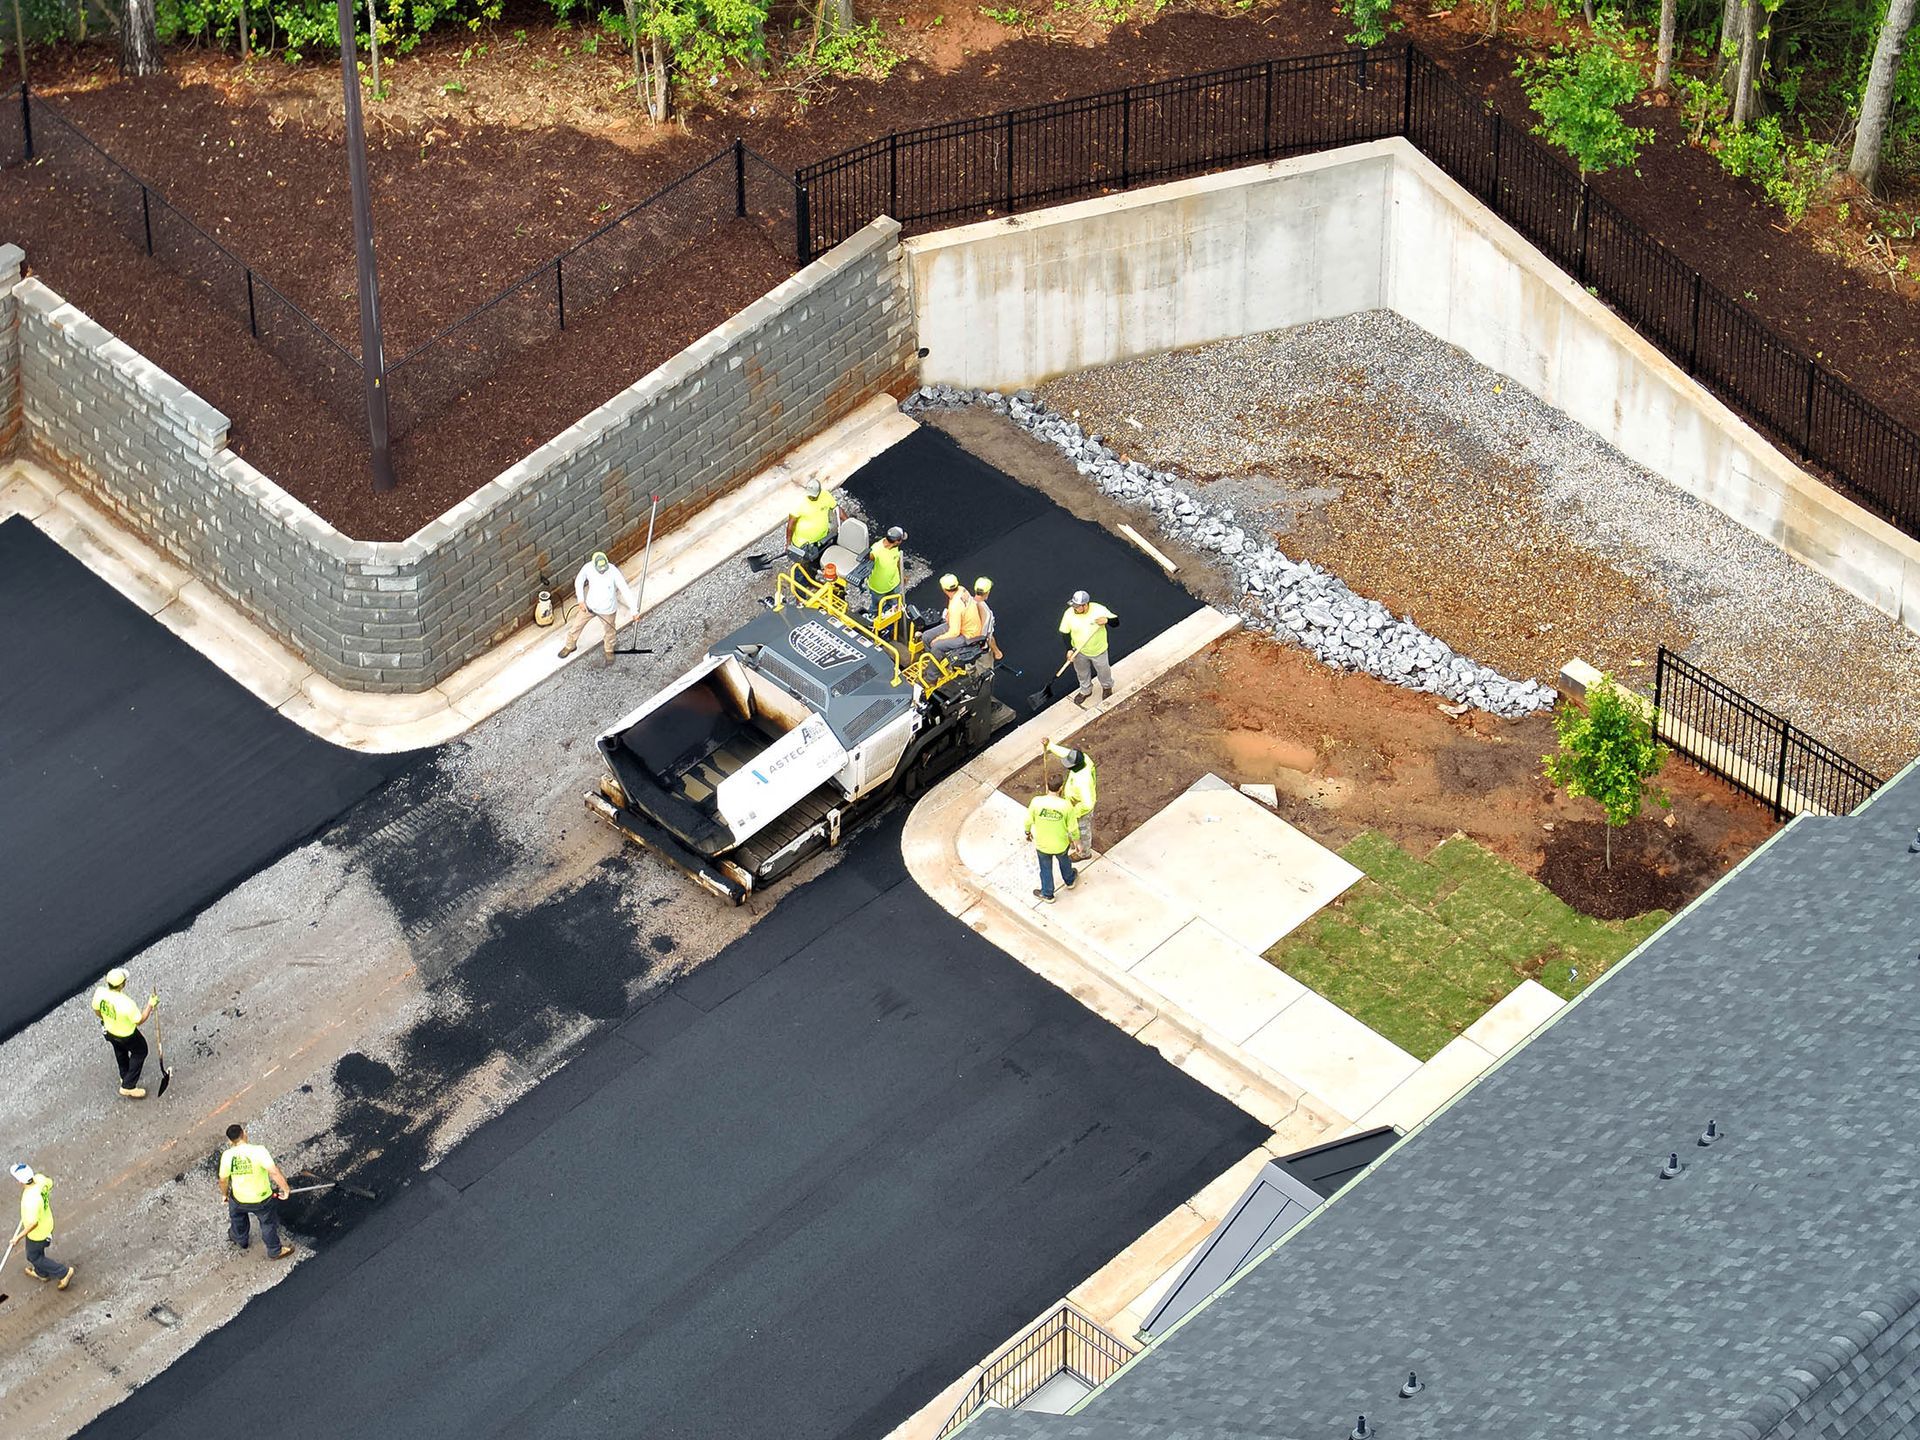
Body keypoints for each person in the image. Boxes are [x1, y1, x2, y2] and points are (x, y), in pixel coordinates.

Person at [219, 1124, 293, 1261]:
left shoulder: (227, 1156)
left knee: (237, 1219)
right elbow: (273, 1172)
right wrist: (285, 1189)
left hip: (238, 1199)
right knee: (267, 1224)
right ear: (244, 1134)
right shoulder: (259, 1151)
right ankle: (275, 1251)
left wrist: (224, 1195)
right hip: (262, 1199)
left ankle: (241, 1240)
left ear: (230, 1141)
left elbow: (223, 1179)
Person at [558, 551, 639, 666]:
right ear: (594, 565)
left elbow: (624, 589)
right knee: (576, 626)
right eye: (599, 569)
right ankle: (570, 645)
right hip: (590, 607)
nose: (602, 571)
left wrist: (634, 610)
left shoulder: (613, 571)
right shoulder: (588, 568)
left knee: (610, 631)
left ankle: (609, 650)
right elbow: (579, 581)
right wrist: (581, 600)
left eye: (603, 568)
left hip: (608, 609)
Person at [90, 967, 157, 1100]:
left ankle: (124, 1074)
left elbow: (97, 1010)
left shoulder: (100, 992)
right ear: (122, 984)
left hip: (109, 1031)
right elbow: (139, 1020)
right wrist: (150, 1005)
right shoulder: (126, 1003)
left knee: (120, 1051)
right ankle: (128, 1086)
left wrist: (106, 1020)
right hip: (127, 1035)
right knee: (140, 1052)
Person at [10, 1162, 74, 1290]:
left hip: (38, 1233)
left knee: (33, 1256)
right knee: (37, 1253)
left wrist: (18, 1237)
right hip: (47, 1222)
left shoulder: (29, 1200)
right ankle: (41, 1273)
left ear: (20, 1182)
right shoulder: (40, 1179)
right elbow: (49, 1183)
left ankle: (63, 1272)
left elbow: (33, 1223)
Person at [1025, 776, 1079, 904]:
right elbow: (1073, 827)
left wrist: (1027, 832)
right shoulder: (1066, 805)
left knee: (1045, 869)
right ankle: (1070, 880)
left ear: (1047, 786)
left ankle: (1048, 894)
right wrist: (1077, 842)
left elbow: (1028, 820)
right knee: (1064, 860)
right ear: (1061, 788)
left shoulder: (1036, 802)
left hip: (1043, 845)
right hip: (1061, 844)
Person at [1059, 590, 1118, 707]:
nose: (1075, 608)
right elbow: (1065, 633)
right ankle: (1085, 690)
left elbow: (1116, 622)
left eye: (1077, 606)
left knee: (1103, 672)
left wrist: (1107, 620)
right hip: (1079, 651)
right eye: (1074, 605)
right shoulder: (1069, 613)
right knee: (1082, 673)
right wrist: (1069, 649)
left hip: (1098, 650)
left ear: (1085, 605)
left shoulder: (1098, 610)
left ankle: (1107, 687)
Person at [1045, 738, 1097, 859]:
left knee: (1082, 832)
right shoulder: (1083, 759)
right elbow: (1066, 753)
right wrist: (1050, 746)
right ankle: (1073, 841)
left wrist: (1074, 812)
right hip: (1073, 803)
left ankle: (1084, 853)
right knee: (1072, 828)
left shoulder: (1083, 781)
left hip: (1081, 810)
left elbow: (1088, 804)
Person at [922, 574, 984, 660]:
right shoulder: (962, 589)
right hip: (959, 624)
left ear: (944, 589)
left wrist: (937, 639)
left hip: (968, 636)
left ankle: (934, 672)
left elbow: (954, 632)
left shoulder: (955, 606)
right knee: (926, 636)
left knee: (936, 646)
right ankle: (932, 659)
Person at [784, 476, 840, 569]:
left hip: (822, 540)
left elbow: (836, 509)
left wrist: (848, 521)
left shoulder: (825, 496)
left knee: (818, 562)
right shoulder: (799, 503)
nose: (812, 498)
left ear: (819, 492)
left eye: (814, 496)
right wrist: (788, 543)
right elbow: (790, 525)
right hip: (803, 545)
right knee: (804, 568)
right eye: (810, 496)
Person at [855, 526, 908, 617]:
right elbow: (866, 562)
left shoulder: (895, 547)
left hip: (894, 584)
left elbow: (897, 561)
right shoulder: (875, 550)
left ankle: (887, 616)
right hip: (878, 588)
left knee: (893, 604)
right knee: (876, 607)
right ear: (897, 541)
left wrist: (902, 575)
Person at [972, 578, 1003, 667]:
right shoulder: (986, 613)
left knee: (970, 667)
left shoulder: (967, 602)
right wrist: (997, 652)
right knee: (986, 673)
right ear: (987, 592)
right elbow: (988, 637)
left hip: (965, 647)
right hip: (980, 649)